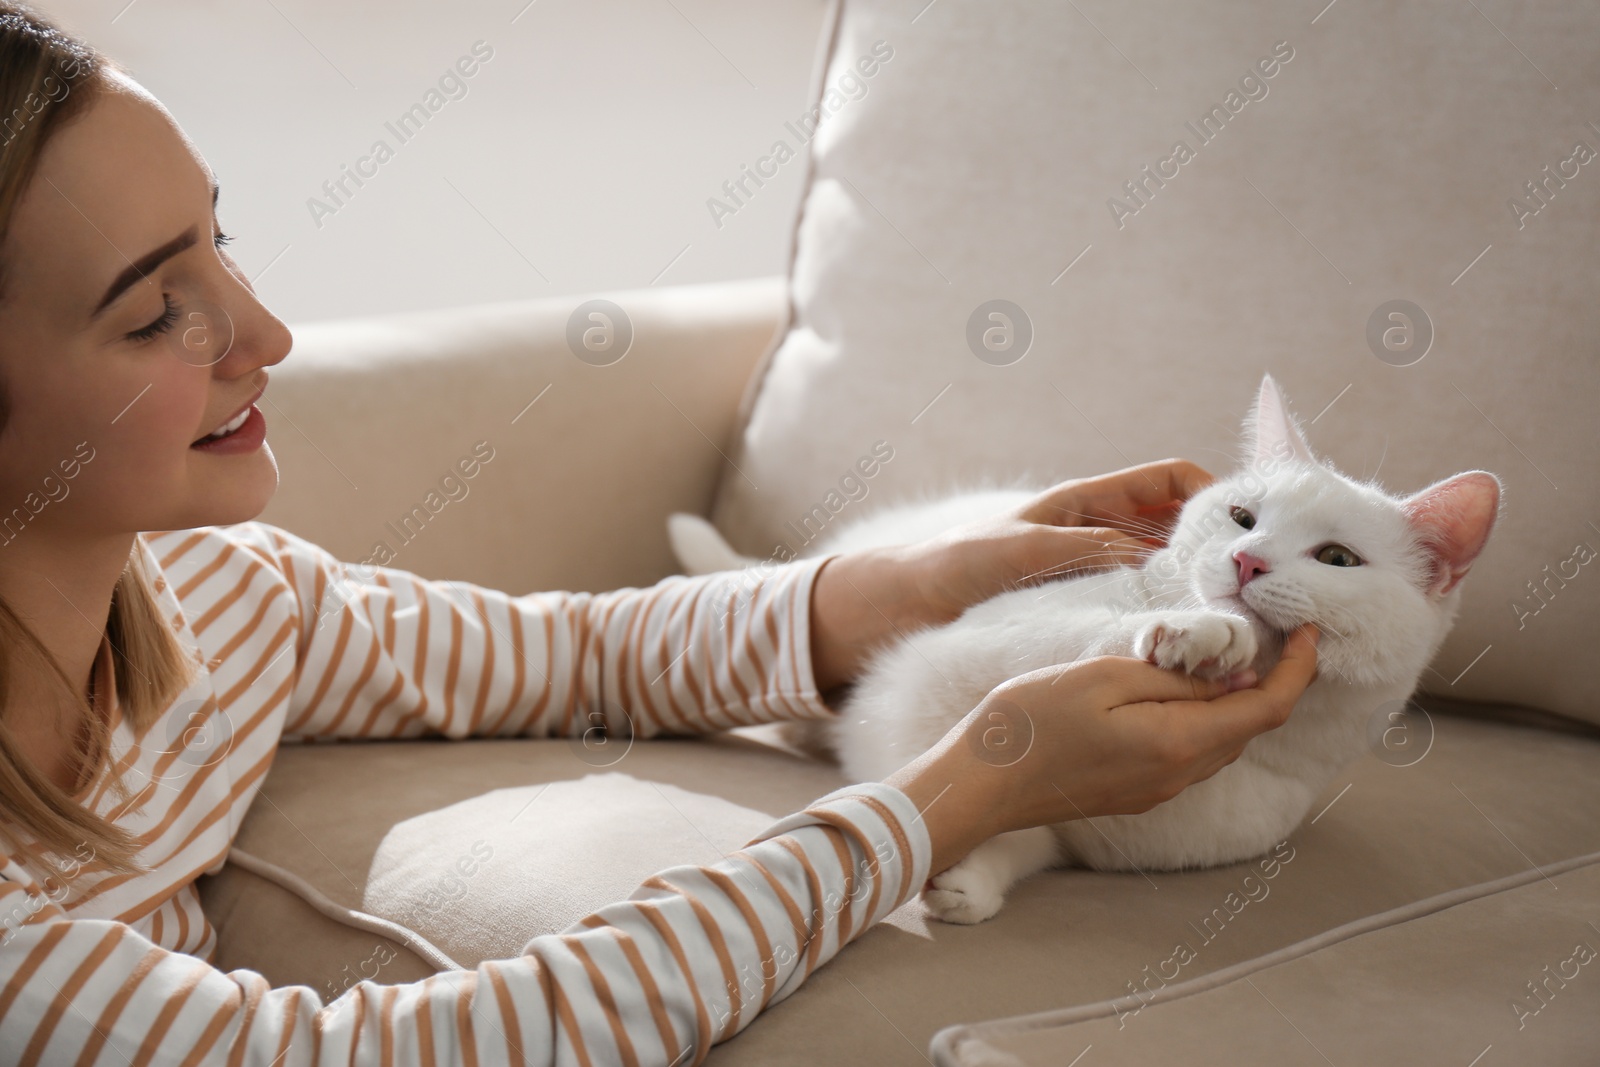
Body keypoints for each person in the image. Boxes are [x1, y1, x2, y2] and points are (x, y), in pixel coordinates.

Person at [0, 5, 1319, 1063]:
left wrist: (919, 581)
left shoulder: (212, 601)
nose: (266, 334)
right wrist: (972, 787)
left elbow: (574, 655)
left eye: (221, 244)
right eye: (154, 309)